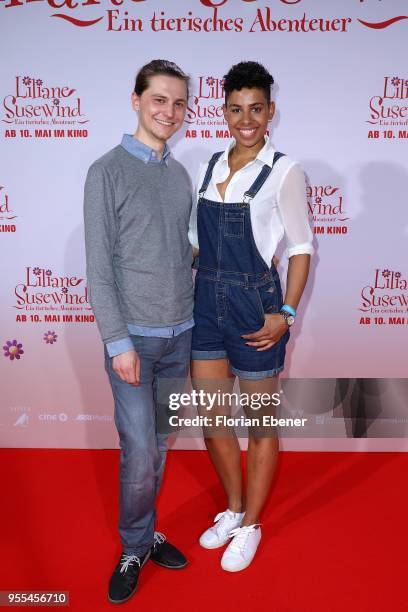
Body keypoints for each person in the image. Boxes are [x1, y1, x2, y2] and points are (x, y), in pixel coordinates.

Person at [188, 61, 314, 572]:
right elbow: (196, 246)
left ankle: (252, 524)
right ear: (223, 112)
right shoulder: (209, 165)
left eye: (256, 109)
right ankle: (234, 509)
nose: (246, 119)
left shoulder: (285, 170)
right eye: (236, 109)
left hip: (254, 304)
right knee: (213, 418)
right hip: (205, 303)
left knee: (261, 424)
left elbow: (301, 247)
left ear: (270, 112)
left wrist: (286, 311)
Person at [84, 59, 194, 604]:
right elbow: (100, 269)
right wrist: (118, 342)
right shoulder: (106, 171)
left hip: (182, 337)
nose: (168, 112)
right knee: (139, 452)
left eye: (178, 103)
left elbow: (179, 251)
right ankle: (134, 545)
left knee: (159, 445)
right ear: (135, 100)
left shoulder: (179, 175)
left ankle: (148, 534)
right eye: (159, 100)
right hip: (135, 342)